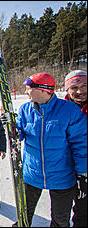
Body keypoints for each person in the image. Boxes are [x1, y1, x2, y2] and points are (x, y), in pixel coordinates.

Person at [10, 72, 87, 227]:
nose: (26, 92)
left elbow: (80, 144)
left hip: (62, 176)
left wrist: (82, 173)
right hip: (32, 174)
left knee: (60, 220)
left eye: (29, 89)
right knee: (24, 215)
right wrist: (12, 128)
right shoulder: (25, 109)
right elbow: (20, 134)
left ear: (44, 90)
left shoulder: (69, 110)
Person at [64, 70, 87, 227]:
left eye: (84, 85)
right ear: (67, 90)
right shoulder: (61, 110)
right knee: (81, 210)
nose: (80, 91)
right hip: (74, 169)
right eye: (74, 87)